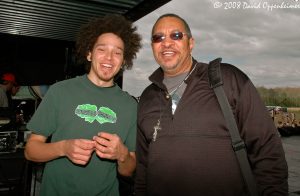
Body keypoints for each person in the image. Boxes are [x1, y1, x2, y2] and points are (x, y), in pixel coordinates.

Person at [135, 13, 288, 196]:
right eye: (158, 37)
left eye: (176, 35)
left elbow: (267, 150)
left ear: (191, 43)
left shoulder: (228, 80)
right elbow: (142, 166)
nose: (166, 43)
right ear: (152, 46)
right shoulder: (146, 97)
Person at [25, 14, 142, 196]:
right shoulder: (60, 92)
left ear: (124, 61)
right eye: (102, 49)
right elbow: (31, 150)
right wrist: (63, 148)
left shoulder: (130, 106)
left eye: (117, 52)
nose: (109, 58)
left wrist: (123, 154)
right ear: (89, 53)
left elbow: (128, 170)